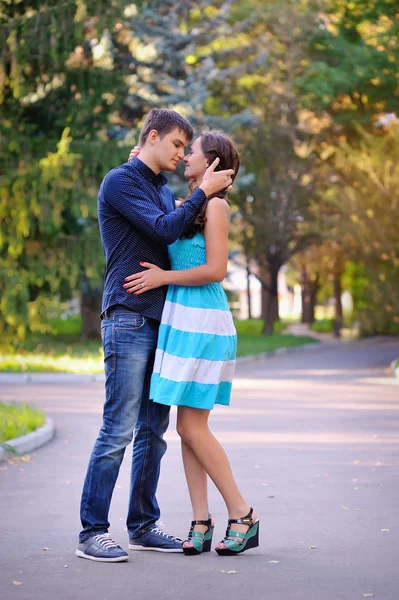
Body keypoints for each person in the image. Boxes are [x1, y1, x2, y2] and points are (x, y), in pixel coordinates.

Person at [76, 109, 235, 562]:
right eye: (176, 146)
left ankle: (143, 525)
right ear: (151, 137)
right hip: (128, 314)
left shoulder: (159, 189)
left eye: (188, 149)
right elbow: (167, 228)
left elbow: (182, 230)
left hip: (161, 322)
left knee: (153, 429)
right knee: (119, 427)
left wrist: (203, 197)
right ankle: (92, 531)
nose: (182, 154)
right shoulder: (121, 181)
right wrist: (202, 190)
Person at [124, 131, 259, 556]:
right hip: (181, 323)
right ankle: (200, 520)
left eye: (192, 152)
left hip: (203, 321)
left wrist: (162, 278)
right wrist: (140, 162)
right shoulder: (189, 206)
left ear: (212, 163)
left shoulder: (217, 207)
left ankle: (243, 514)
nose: (184, 157)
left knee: (190, 427)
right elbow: (164, 220)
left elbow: (216, 269)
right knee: (188, 430)